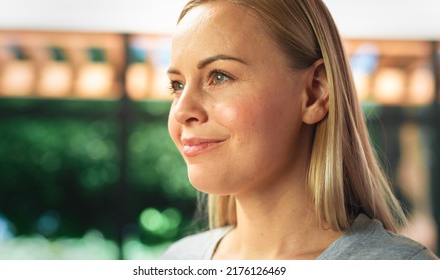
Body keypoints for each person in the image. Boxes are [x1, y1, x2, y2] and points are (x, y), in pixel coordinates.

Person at [161, 0, 439, 260]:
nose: (182, 111)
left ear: (315, 93)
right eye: (177, 85)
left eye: (219, 76)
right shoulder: (178, 259)